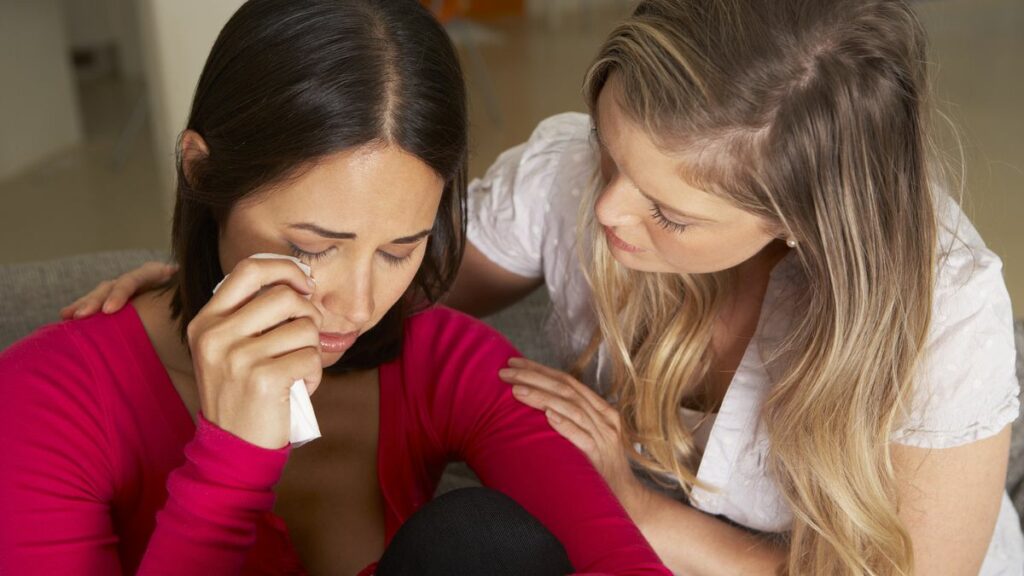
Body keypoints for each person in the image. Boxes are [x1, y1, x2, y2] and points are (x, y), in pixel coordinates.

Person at [67, 0, 1024, 574]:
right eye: (610, 151)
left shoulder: (946, 314)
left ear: (798, 223)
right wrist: (226, 270)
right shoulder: (574, 182)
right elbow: (384, 278)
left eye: (669, 215)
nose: (607, 213)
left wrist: (644, 514)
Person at [0, 1, 672, 575]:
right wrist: (229, 465)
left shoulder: (443, 360)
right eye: (312, 247)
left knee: (481, 539)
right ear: (202, 172)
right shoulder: (47, 396)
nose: (358, 308)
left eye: (398, 250)